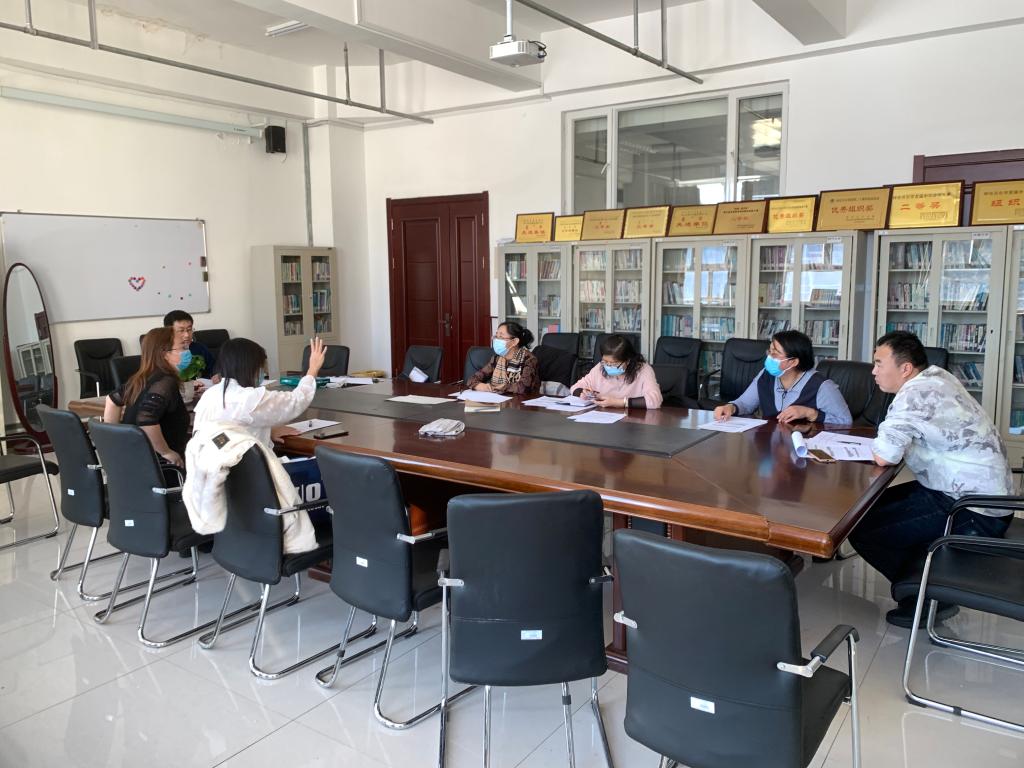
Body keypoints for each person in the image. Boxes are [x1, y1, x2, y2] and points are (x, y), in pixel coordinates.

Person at [850, 331, 1013, 628]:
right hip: (978, 496)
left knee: (861, 528)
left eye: (879, 363)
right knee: (866, 509)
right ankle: (926, 583)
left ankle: (926, 597)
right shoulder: (937, 376)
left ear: (905, 368)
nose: (873, 371)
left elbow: (885, 455)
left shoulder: (915, 393)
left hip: (972, 509)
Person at [183, 337, 327, 554]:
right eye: (262, 366)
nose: (263, 372)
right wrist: (312, 369)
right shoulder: (249, 398)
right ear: (250, 366)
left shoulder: (211, 395)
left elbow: (230, 428)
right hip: (258, 488)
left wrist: (269, 429)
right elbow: (296, 401)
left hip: (227, 490)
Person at [713, 330, 852, 426]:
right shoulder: (766, 375)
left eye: (775, 353)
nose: (769, 357)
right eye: (770, 351)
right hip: (769, 445)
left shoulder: (821, 386)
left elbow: (845, 421)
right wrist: (730, 407)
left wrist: (810, 413)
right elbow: (745, 403)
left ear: (793, 362)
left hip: (803, 449)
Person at [103, 327, 188, 468]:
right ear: (165, 354)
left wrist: (115, 439)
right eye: (182, 347)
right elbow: (146, 420)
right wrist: (166, 452)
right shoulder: (165, 382)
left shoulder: (143, 377)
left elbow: (112, 401)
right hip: (159, 466)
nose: (187, 352)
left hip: (134, 459)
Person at [570, 334, 662, 409]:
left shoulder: (643, 370)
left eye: (614, 363)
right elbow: (575, 387)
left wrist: (619, 403)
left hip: (632, 421)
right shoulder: (600, 367)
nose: (608, 366)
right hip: (604, 417)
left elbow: (655, 401)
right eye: (605, 361)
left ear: (627, 361)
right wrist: (583, 392)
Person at [467, 321, 540, 396]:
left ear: (514, 341)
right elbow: (471, 379)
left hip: (523, 401)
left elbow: (524, 388)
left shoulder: (529, 359)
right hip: (497, 399)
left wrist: (499, 387)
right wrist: (478, 385)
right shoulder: (497, 358)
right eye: (496, 336)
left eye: (501, 337)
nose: (496, 340)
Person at [164, 310, 214, 383]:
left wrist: (215, 376)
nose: (187, 335)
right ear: (169, 332)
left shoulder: (200, 348)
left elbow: (213, 369)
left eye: (189, 330)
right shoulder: (161, 352)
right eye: (181, 330)